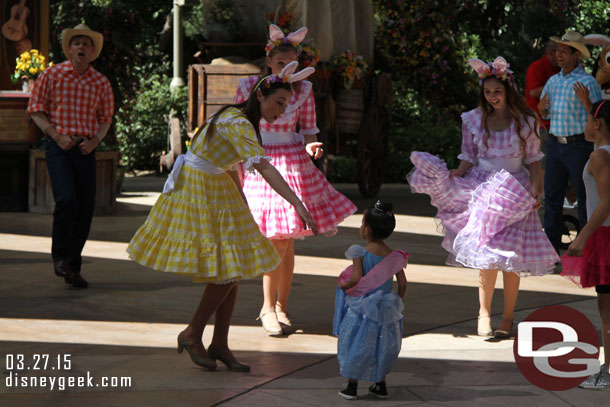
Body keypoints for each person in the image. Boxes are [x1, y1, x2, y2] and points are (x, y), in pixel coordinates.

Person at [127, 61, 318, 372]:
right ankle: (192, 333)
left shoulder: (235, 117)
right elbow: (264, 167)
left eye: (286, 104)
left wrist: (239, 200)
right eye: (279, 103)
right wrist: (297, 202)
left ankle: (219, 343)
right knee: (227, 268)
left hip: (214, 183)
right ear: (260, 96)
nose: (282, 111)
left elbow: (229, 164)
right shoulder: (239, 123)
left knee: (235, 265)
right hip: (199, 189)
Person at [407, 57, 559, 338]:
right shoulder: (474, 119)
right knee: (487, 255)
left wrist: (535, 189)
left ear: (508, 91)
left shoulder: (525, 121)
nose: (492, 97)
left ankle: (509, 316)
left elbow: (535, 160)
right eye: (488, 92)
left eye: (497, 92)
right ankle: (484, 312)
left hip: (516, 191)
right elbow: (467, 156)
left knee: (512, 257)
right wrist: (457, 173)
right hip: (484, 190)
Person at [234, 24, 357, 335]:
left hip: (292, 161)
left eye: (293, 63)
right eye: (280, 63)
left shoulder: (303, 89)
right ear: (269, 61)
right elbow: (240, 124)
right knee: (276, 239)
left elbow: (309, 130)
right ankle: (267, 306)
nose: (286, 69)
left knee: (286, 241)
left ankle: (281, 306)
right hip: (260, 160)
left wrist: (310, 145)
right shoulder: (251, 85)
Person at [27, 24, 114, 288]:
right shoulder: (52, 75)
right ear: (69, 49)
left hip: (84, 148)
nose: (81, 47)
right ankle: (59, 257)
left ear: (92, 51)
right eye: (76, 43)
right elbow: (35, 110)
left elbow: (105, 118)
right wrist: (55, 135)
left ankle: (72, 267)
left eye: (86, 44)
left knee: (86, 207)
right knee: (66, 199)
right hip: (58, 146)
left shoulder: (100, 82)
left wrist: (95, 141)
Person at [332, 201, 408, 400]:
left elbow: (357, 278)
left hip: (362, 307)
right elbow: (403, 283)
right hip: (385, 308)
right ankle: (380, 384)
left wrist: (344, 286)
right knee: (380, 345)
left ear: (366, 230)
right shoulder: (395, 256)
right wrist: (398, 301)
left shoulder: (360, 252)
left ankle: (352, 386)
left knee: (356, 342)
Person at [560, 100, 610, 389]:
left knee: (607, 309)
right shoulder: (601, 153)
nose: (584, 124)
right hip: (603, 232)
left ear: (598, 124)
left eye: (587, 118)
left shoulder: (600, 157)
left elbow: (606, 202)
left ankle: (607, 371)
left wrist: (583, 236)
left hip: (604, 235)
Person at [538, 30, 603, 253]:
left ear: (577, 56)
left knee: (585, 199)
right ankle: (552, 251)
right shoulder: (553, 81)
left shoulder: (588, 82)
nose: (559, 55)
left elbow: (598, 119)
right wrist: (541, 109)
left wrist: (587, 103)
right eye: (558, 51)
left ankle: (584, 250)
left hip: (578, 146)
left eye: (564, 52)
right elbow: (545, 113)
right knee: (552, 199)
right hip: (556, 144)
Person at [525, 40, 560, 131]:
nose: (561, 56)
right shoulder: (536, 67)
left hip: (555, 123)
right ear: (551, 53)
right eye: (559, 52)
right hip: (539, 124)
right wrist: (559, 85)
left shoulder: (558, 68)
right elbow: (533, 92)